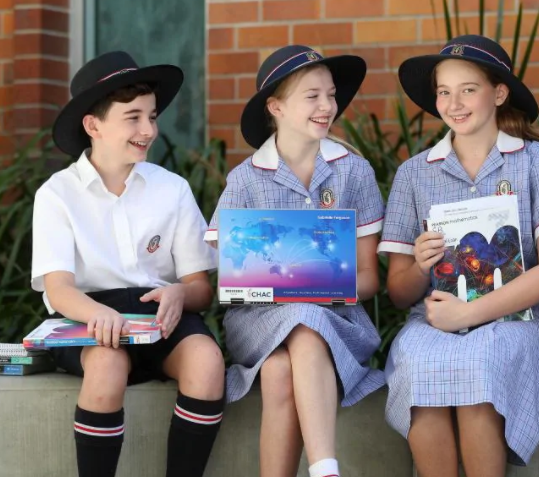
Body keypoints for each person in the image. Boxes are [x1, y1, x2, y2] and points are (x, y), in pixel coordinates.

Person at [378, 35, 539, 476]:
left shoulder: (538, 162)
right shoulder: (413, 174)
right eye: (443, 92)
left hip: (516, 321)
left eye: (468, 89)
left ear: (499, 93)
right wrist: (420, 265)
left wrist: (469, 314)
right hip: (434, 320)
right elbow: (399, 292)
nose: (454, 104)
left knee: (479, 366)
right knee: (420, 365)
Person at [32, 51, 224, 477]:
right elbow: (58, 288)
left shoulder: (172, 189)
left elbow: (200, 288)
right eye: (133, 118)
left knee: (207, 362)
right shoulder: (57, 194)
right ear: (93, 125)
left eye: (151, 117)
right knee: (106, 365)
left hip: (163, 316)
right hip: (89, 317)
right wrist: (98, 315)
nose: (149, 130)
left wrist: (180, 293)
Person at [205, 45, 385, 477]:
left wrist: (315, 288)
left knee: (280, 368)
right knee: (301, 318)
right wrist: (293, 287)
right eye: (312, 96)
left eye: (331, 95)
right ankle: (325, 469)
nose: (327, 106)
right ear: (276, 107)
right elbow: (230, 275)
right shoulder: (245, 179)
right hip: (257, 323)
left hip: (339, 321)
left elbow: (369, 278)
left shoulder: (354, 172)